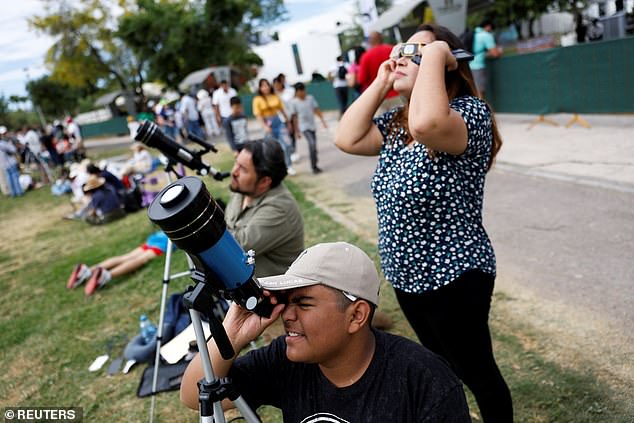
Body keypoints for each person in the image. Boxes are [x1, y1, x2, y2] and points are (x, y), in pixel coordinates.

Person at [334, 23, 512, 422]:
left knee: (477, 371)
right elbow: (346, 137)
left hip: (455, 274)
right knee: (441, 369)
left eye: (417, 51)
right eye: (400, 50)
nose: (400, 56)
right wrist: (382, 81)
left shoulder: (468, 114)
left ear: (448, 62)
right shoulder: (398, 123)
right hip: (408, 277)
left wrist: (435, 53)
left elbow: (428, 124)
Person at [180, 241, 471, 421]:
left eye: (303, 303)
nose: (286, 315)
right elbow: (194, 396)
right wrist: (232, 334)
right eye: (286, 301)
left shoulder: (425, 381)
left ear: (356, 316)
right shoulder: (286, 360)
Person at [224, 138, 304, 278]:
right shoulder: (244, 190)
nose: (234, 172)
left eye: (242, 169)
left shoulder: (279, 208)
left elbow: (234, 248)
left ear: (265, 182)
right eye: (236, 163)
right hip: (240, 287)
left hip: (272, 296)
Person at [67, 230, 170, 296]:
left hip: (157, 236)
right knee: (143, 258)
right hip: (167, 240)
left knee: (126, 257)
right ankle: (106, 275)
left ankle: (87, 271)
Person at [251, 79, 295, 175]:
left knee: (287, 144)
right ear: (259, 88)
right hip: (267, 122)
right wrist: (265, 126)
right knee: (270, 147)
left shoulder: (275, 96)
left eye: (267, 85)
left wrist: (288, 122)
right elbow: (258, 115)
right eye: (263, 86)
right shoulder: (257, 99)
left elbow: (282, 110)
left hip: (278, 121)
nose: (265, 87)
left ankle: (289, 165)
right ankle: (273, 168)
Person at [288, 82, 328, 174]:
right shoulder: (294, 102)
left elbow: (316, 110)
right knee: (312, 144)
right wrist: (296, 131)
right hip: (304, 127)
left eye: (303, 90)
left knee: (313, 146)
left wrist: (323, 121)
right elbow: (294, 117)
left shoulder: (310, 98)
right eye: (300, 91)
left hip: (312, 125)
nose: (302, 93)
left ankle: (314, 164)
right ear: (297, 92)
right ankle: (313, 166)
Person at [357, 31, 399, 113]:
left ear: (370, 41)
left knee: (379, 125)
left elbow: (362, 79)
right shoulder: (393, 50)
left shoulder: (366, 56)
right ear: (381, 38)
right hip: (396, 93)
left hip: (377, 98)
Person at [469, 19, 503, 98]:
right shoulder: (485, 35)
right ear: (488, 26)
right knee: (479, 92)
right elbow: (495, 53)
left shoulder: (475, 33)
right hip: (478, 66)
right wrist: (500, 51)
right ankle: (481, 109)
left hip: (469, 65)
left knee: (475, 91)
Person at [212, 80, 238, 147]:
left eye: (226, 85)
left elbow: (237, 102)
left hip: (234, 114)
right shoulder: (217, 93)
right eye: (223, 85)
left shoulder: (233, 91)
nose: (225, 87)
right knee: (229, 132)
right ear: (221, 86)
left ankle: (237, 143)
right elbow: (216, 106)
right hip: (224, 116)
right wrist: (217, 116)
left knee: (236, 130)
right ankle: (232, 145)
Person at [0, 126, 23, 197]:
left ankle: (13, 193)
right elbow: (13, 150)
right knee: (15, 177)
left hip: (4, 164)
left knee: (9, 179)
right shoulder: (3, 143)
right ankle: (19, 192)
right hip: (10, 163)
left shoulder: (4, 142)